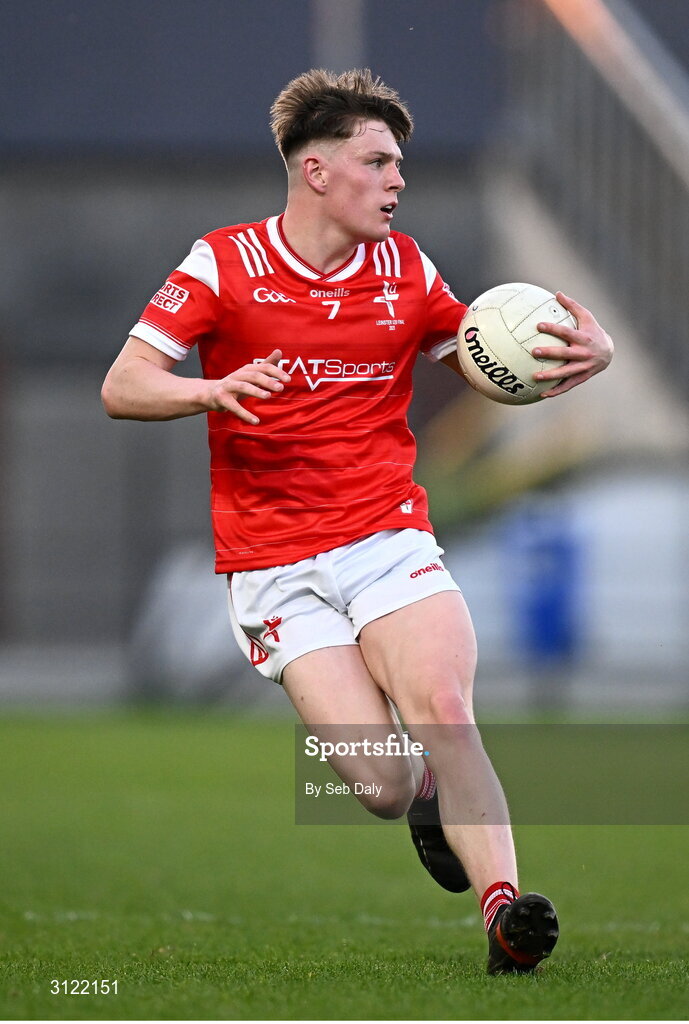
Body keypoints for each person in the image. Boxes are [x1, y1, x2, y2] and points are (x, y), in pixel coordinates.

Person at [102, 68, 613, 974]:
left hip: (387, 539)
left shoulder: (406, 268)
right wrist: (208, 388)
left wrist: (580, 350)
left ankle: (504, 915)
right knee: (377, 784)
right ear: (315, 172)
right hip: (273, 566)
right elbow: (124, 384)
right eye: (377, 161)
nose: (396, 180)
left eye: (398, 163)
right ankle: (421, 802)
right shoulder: (221, 263)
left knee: (445, 709)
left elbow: (479, 349)